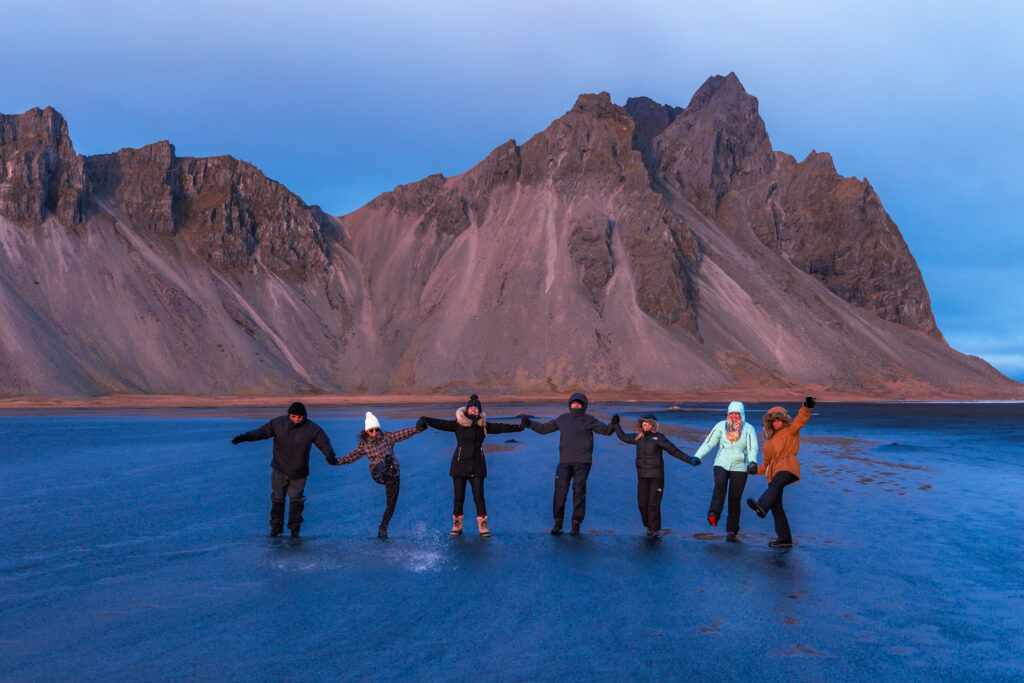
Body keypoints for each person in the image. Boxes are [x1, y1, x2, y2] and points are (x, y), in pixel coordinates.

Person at [419, 394, 526, 537]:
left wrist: (519, 427)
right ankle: (457, 526)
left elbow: (501, 427)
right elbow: (441, 424)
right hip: (459, 465)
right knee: (458, 498)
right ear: (467, 410)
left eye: (476, 408)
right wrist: (426, 419)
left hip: (477, 466)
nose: (474, 410)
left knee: (479, 498)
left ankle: (483, 527)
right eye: (471, 408)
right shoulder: (458, 424)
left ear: (479, 411)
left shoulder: (483, 425)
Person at [231, 401, 340, 538]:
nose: (296, 419)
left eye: (299, 417)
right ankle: (276, 528)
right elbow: (261, 432)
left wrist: (330, 455)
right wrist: (245, 437)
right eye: (293, 416)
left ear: (304, 416)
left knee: (296, 501)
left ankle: (294, 531)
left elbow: (323, 442)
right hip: (279, 470)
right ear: (289, 415)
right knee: (277, 499)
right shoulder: (277, 423)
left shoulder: (312, 429)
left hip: (299, 472)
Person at [524, 392, 614, 535]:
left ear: (584, 405)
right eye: (573, 403)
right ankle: (558, 523)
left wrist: (614, 424)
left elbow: (606, 431)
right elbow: (544, 429)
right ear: (570, 404)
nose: (576, 405)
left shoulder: (589, 420)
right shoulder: (562, 419)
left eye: (579, 403)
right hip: (565, 461)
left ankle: (576, 524)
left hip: (583, 461)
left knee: (579, 491)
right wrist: (529, 423)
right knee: (560, 490)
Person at [338, 411, 426, 539]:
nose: (374, 433)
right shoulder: (364, 445)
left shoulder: (387, 437)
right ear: (367, 432)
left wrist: (418, 428)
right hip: (378, 471)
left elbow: (404, 433)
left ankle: (383, 528)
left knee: (391, 506)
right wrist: (336, 461)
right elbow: (351, 456)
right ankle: (388, 465)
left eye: (377, 429)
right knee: (382, 464)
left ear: (380, 429)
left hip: (393, 475)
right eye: (371, 430)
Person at [611, 413, 699, 537]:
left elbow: (674, 450)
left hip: (656, 477)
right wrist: (616, 424)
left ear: (653, 425)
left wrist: (689, 460)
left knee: (653, 505)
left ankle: (654, 530)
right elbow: (623, 437)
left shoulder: (659, 438)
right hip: (642, 477)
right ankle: (648, 525)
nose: (646, 425)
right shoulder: (638, 437)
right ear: (641, 425)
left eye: (648, 423)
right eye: (644, 423)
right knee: (642, 505)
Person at [746, 397, 816, 548]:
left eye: (779, 420)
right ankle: (784, 539)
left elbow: (801, 420)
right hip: (773, 473)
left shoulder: (791, 431)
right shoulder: (768, 442)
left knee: (775, 485)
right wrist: (753, 470)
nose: (776, 423)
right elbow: (766, 465)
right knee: (776, 507)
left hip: (787, 467)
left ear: (784, 420)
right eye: (773, 421)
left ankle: (762, 505)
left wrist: (806, 407)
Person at [692, 401, 759, 542]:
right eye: (731, 413)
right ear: (728, 414)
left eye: (736, 413)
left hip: (740, 466)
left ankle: (732, 529)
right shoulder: (721, 426)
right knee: (720, 487)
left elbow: (752, 448)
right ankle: (713, 514)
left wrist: (752, 462)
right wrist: (698, 456)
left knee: (735, 498)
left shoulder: (748, 429)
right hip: (721, 463)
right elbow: (709, 442)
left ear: (741, 414)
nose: (733, 416)